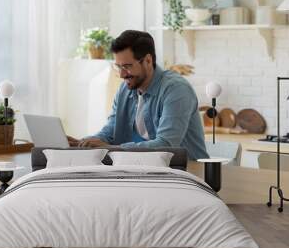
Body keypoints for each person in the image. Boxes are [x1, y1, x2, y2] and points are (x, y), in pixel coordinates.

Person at [68, 30, 209, 160]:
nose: (122, 74)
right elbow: (110, 131)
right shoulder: (125, 89)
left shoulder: (176, 89)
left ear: (148, 61)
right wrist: (83, 143)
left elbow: (166, 145)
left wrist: (110, 149)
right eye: (119, 67)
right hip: (150, 170)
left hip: (188, 171)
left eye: (127, 66)